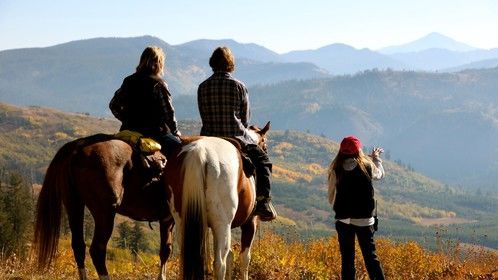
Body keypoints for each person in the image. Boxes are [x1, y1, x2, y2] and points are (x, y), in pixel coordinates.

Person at [197, 46, 277, 221]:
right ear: (230, 64)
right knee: (263, 162)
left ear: (212, 63)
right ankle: (263, 203)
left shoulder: (202, 87)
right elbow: (245, 119)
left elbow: (203, 114)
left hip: (208, 138)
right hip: (236, 137)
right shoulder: (239, 86)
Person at [327, 135, 385, 280]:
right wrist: (376, 158)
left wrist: (340, 209)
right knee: (371, 258)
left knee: (347, 260)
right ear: (358, 150)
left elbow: (331, 195)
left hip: (343, 220)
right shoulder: (367, 166)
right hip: (365, 220)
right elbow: (380, 175)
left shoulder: (336, 169)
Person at [109, 46, 181, 158]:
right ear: (159, 63)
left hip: (129, 131)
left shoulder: (129, 81)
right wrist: (175, 132)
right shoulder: (159, 84)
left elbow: (113, 105)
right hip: (155, 133)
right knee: (181, 152)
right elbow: (169, 113)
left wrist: (126, 119)